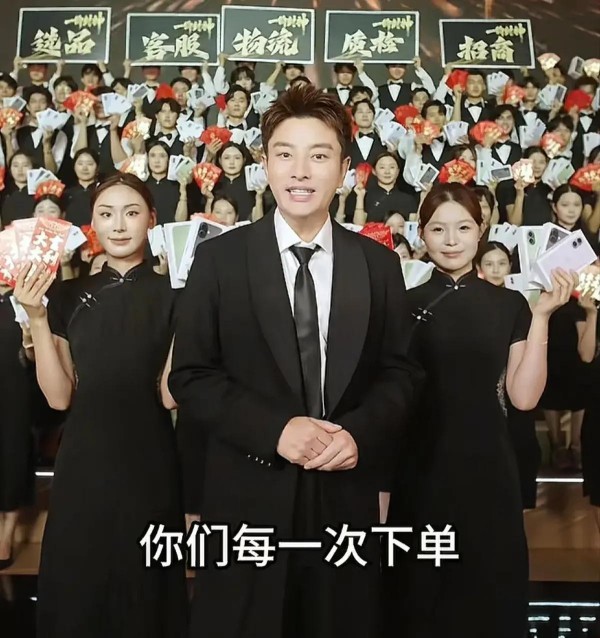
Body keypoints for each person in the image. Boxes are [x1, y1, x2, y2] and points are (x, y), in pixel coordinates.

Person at [169, 84, 420, 638]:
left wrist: (358, 434)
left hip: (343, 491)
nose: (301, 172)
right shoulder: (220, 260)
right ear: (265, 165)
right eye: (285, 154)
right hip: (248, 494)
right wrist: (275, 430)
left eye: (319, 155)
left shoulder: (377, 265)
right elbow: (191, 376)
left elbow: (400, 373)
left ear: (345, 170)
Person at [384, 183, 577, 638]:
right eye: (438, 229)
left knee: (489, 588)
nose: (451, 240)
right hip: (419, 465)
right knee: (420, 594)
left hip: (489, 465)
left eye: (463, 228)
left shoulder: (510, 304)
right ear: (421, 234)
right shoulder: (403, 305)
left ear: (481, 230)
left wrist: (542, 316)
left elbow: (524, 397)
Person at [13, 173, 187, 638]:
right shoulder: (65, 296)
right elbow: (58, 396)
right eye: (106, 214)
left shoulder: (176, 295)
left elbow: (169, 394)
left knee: (147, 582)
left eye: (131, 213)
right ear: (92, 224)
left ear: (152, 220)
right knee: (79, 581)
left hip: (150, 457)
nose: (119, 225)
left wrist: (195, 312)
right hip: (84, 459)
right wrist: (36, 317)